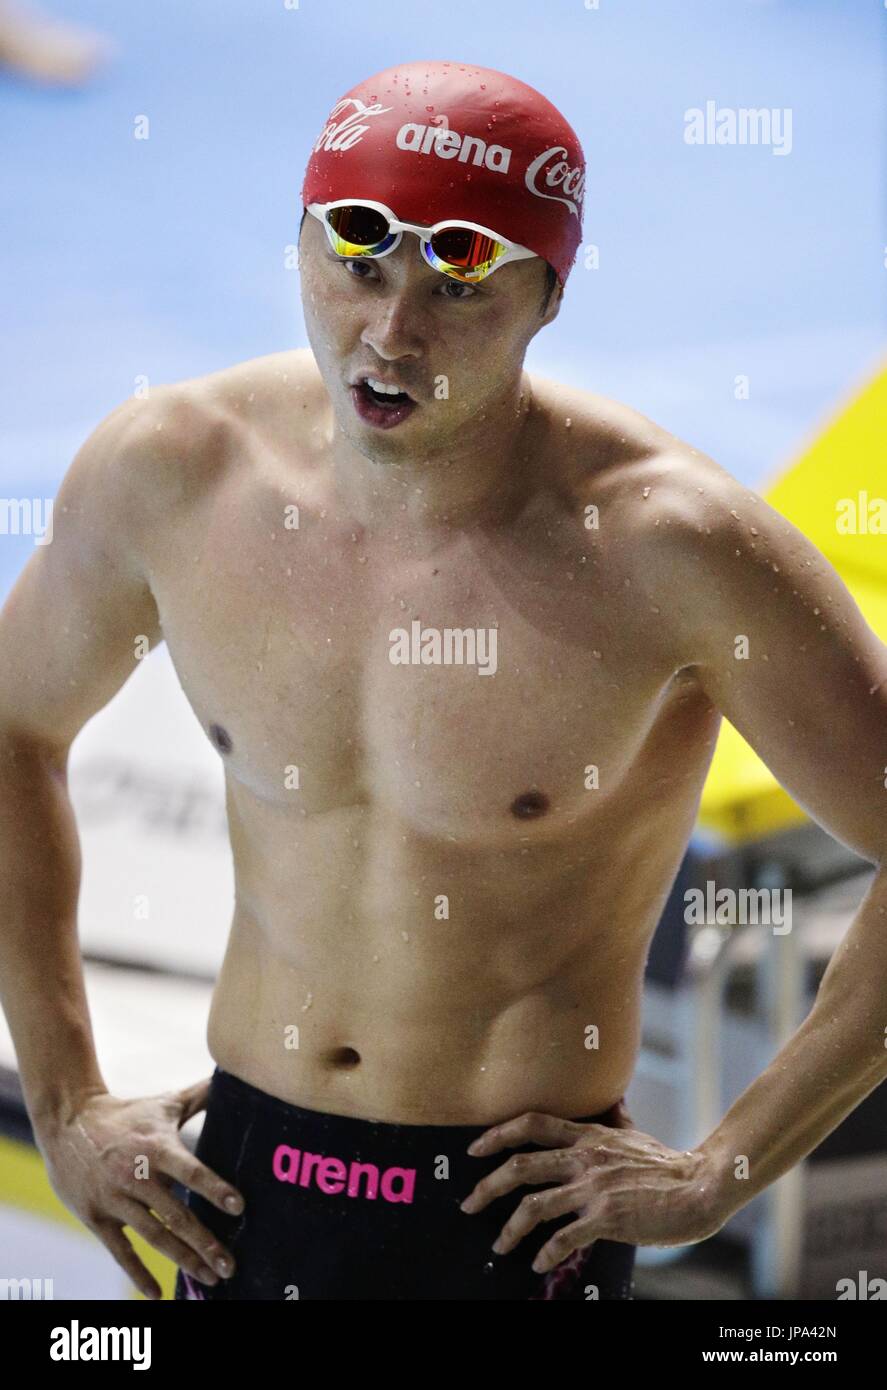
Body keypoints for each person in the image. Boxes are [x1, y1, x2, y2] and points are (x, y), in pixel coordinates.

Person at [0, 59, 885, 1301]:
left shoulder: (671, 550)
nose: (390, 331)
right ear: (298, 240)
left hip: (514, 1223)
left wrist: (718, 1172)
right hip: (241, 1185)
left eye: (458, 282)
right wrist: (68, 1101)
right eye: (356, 263)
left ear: (548, 296)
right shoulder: (175, 473)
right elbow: (11, 730)